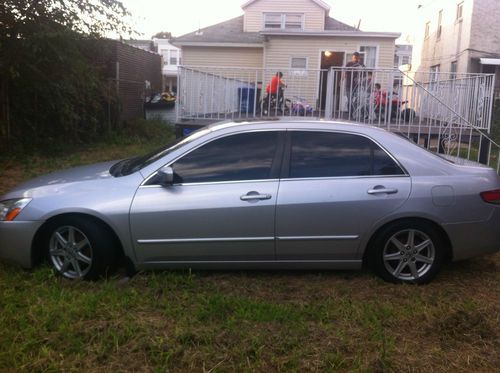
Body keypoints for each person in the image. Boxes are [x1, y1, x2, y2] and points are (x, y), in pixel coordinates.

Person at [345, 52, 365, 117]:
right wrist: (341, 80)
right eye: (354, 57)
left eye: (356, 57)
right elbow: (344, 72)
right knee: (350, 100)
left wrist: (361, 80)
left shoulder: (361, 64)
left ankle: (355, 113)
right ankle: (350, 114)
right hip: (348, 85)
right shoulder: (349, 63)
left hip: (357, 86)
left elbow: (365, 73)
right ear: (352, 57)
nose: (355, 59)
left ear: (358, 57)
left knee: (357, 100)